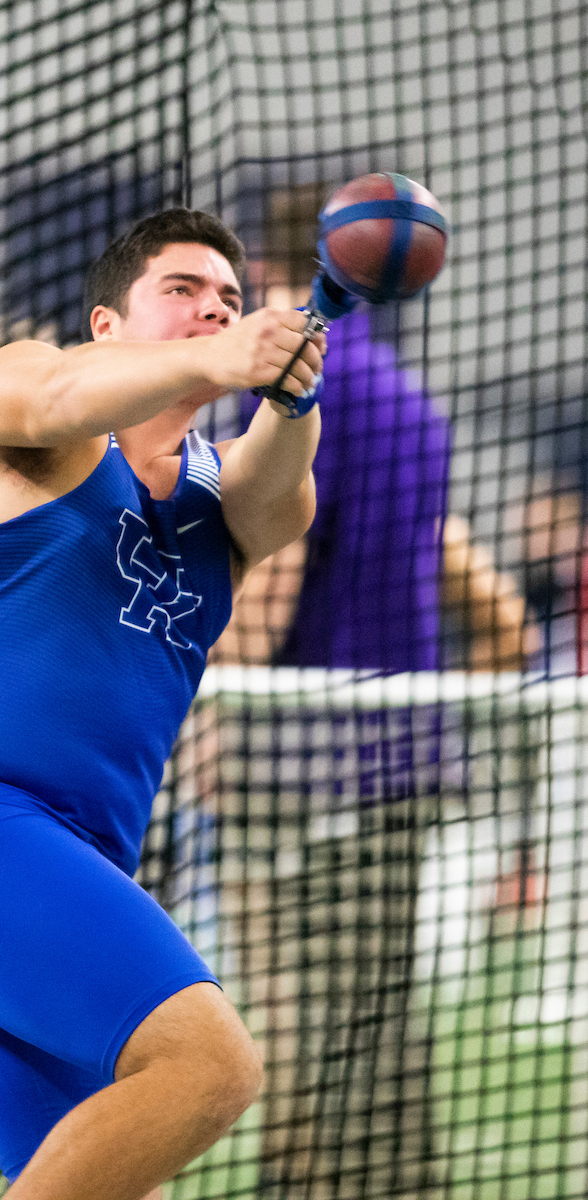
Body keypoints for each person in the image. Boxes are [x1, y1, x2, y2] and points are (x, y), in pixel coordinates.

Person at [0, 207, 328, 1200]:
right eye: (182, 291)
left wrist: (288, 395)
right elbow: (62, 392)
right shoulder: (21, 395)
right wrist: (232, 353)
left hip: (68, 871)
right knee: (214, 1068)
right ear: (107, 322)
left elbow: (281, 497)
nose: (214, 309)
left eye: (230, 300)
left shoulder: (223, 503)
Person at [199, 184, 537, 1200]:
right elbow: (495, 614)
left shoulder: (296, 391)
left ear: (270, 273)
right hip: (402, 768)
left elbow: (274, 566)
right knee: (376, 1024)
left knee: (290, 1024)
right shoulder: (415, 410)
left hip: (297, 768)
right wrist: (434, 706)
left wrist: (216, 718)